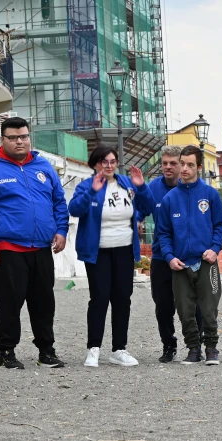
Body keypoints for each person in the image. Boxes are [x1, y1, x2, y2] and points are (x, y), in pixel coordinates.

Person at [0, 117, 69, 369]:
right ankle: (6, 351)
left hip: (41, 248)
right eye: (13, 137)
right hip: (8, 250)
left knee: (44, 303)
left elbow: (59, 201)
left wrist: (61, 230)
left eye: (24, 136)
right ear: (2, 140)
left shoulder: (44, 166)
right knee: (9, 303)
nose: (20, 141)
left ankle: (46, 352)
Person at [69, 146, 153, 367]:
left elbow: (147, 206)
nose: (109, 165)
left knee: (122, 299)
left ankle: (119, 349)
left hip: (124, 248)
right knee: (99, 298)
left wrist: (141, 186)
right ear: (95, 164)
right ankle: (93, 348)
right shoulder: (86, 185)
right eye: (104, 161)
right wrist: (92, 192)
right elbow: (75, 209)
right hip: (98, 252)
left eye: (113, 161)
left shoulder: (126, 183)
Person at [157, 145, 222, 365]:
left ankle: (212, 348)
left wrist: (215, 249)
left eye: (190, 165)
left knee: (209, 309)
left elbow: (219, 225)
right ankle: (193, 349)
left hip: (206, 261)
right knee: (185, 310)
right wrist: (169, 256)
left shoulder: (210, 195)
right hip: (180, 265)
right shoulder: (170, 199)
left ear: (199, 167)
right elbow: (163, 232)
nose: (184, 169)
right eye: (182, 164)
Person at [137, 145, 204, 363]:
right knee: (163, 306)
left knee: (195, 304)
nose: (168, 167)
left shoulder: (197, 189)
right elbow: (141, 207)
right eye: (164, 163)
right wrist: (137, 219)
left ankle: (196, 345)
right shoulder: (154, 187)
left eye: (173, 163)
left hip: (190, 256)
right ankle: (169, 345)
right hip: (161, 256)